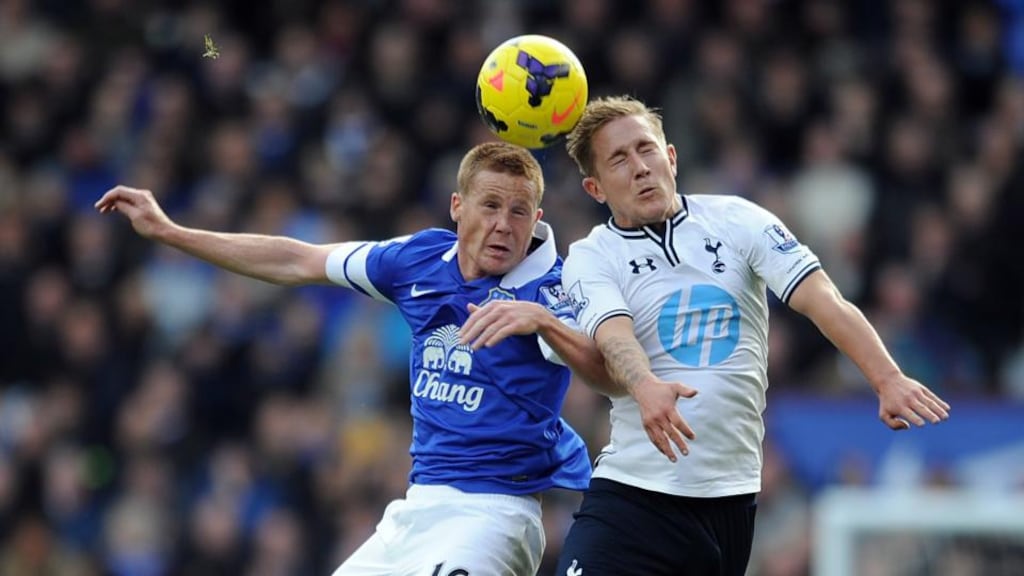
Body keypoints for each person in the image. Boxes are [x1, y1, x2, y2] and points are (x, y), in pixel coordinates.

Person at [95, 141, 615, 576]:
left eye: (518, 211)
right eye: (490, 205)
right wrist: (171, 232)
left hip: (495, 515)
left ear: (537, 219)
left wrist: (543, 322)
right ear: (458, 206)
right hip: (418, 508)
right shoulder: (417, 260)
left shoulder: (553, 290)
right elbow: (299, 260)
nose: (504, 224)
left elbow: (605, 371)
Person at [549, 95, 952, 575]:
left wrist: (886, 378)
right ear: (595, 188)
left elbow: (823, 300)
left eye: (646, 149)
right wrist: (644, 386)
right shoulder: (592, 256)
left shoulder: (738, 221)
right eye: (619, 159)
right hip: (634, 494)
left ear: (671, 157)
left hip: (731, 502)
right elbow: (612, 335)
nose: (640, 167)